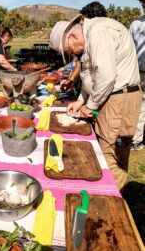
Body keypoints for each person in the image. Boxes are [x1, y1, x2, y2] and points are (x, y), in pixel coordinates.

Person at [49, 14, 142, 191]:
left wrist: (90, 106)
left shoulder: (99, 32)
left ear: (73, 36)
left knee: (111, 157)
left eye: (69, 51)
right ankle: (104, 194)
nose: (73, 54)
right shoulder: (91, 36)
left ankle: (111, 204)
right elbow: (91, 76)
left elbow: (106, 78)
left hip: (119, 100)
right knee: (102, 150)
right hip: (111, 98)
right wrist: (80, 101)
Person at [59, 1, 107, 93]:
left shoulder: (101, 38)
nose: (82, 25)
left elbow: (104, 76)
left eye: (83, 21)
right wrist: (71, 80)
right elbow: (78, 63)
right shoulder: (84, 41)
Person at [129, 0, 145, 150]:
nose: (144, 5)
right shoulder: (136, 24)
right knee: (140, 106)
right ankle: (136, 140)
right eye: (142, 2)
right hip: (140, 72)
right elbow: (130, 50)